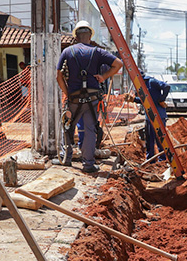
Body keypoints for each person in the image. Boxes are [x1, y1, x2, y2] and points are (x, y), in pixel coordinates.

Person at [55, 20, 122, 173]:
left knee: (67, 127)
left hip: (74, 98)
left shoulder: (67, 51)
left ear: (76, 36)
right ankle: (88, 164)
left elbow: (58, 76)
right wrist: (103, 77)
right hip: (92, 98)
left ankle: (66, 159)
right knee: (90, 129)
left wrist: (67, 93)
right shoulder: (97, 52)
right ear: (90, 36)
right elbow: (118, 64)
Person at [125, 73, 170, 162]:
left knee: (160, 138)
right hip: (149, 116)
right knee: (150, 139)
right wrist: (133, 99)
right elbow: (144, 100)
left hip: (159, 115)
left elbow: (166, 86)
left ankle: (162, 159)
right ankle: (150, 159)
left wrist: (161, 99)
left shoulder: (152, 82)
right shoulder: (141, 86)